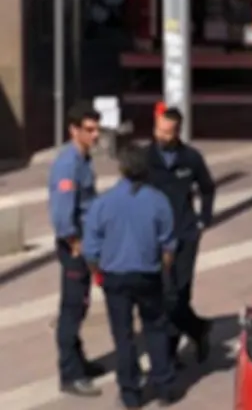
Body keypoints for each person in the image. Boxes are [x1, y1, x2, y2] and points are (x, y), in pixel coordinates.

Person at [82, 145, 182, 408]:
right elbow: (169, 246)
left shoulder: (102, 203)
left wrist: (97, 275)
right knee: (156, 329)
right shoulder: (158, 201)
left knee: (123, 335)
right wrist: (164, 272)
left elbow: (91, 250)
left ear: (122, 169)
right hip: (148, 275)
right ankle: (164, 386)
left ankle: (130, 392)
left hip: (114, 277)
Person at [147, 107, 214, 364]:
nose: (162, 136)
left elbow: (207, 188)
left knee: (181, 293)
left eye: (168, 132)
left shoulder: (191, 158)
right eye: (159, 130)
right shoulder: (145, 158)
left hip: (185, 234)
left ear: (178, 131)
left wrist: (203, 219)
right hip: (155, 238)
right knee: (164, 294)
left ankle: (170, 353)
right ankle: (198, 328)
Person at [48, 101, 105, 397]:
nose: (95, 135)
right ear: (73, 130)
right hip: (75, 246)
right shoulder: (68, 164)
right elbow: (62, 213)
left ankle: (79, 361)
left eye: (97, 129)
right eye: (89, 129)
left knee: (80, 305)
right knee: (71, 310)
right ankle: (70, 375)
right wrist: (75, 243)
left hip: (85, 242)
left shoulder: (83, 159)